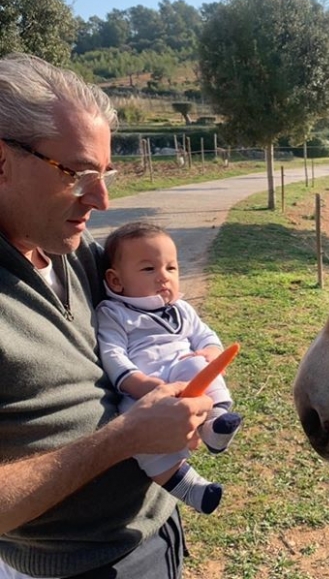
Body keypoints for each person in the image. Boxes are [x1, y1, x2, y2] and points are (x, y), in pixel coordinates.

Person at [0, 53, 213, 578]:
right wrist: (126, 437)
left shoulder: (74, 250)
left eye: (106, 173)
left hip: (156, 531)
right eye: (78, 174)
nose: (101, 198)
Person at [96, 222, 242, 517]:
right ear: (116, 280)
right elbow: (112, 352)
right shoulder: (114, 313)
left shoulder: (182, 309)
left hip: (187, 379)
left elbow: (204, 334)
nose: (164, 277)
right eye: (149, 269)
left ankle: (215, 423)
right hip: (143, 390)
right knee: (143, 440)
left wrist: (212, 351)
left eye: (171, 268)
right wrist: (137, 383)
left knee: (196, 363)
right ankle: (191, 488)